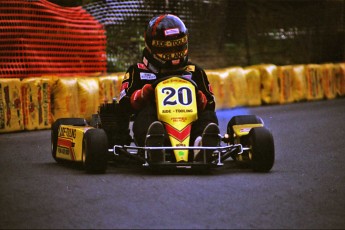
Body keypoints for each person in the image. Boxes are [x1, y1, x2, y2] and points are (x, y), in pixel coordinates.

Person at [118, 14, 220, 161]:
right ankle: (155, 144)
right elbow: (123, 106)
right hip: (155, 122)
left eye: (177, 48)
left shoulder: (194, 71)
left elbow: (210, 104)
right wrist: (142, 95)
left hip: (190, 125)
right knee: (146, 115)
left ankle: (201, 144)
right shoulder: (138, 71)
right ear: (150, 46)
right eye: (166, 50)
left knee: (208, 116)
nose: (172, 55)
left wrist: (201, 99)